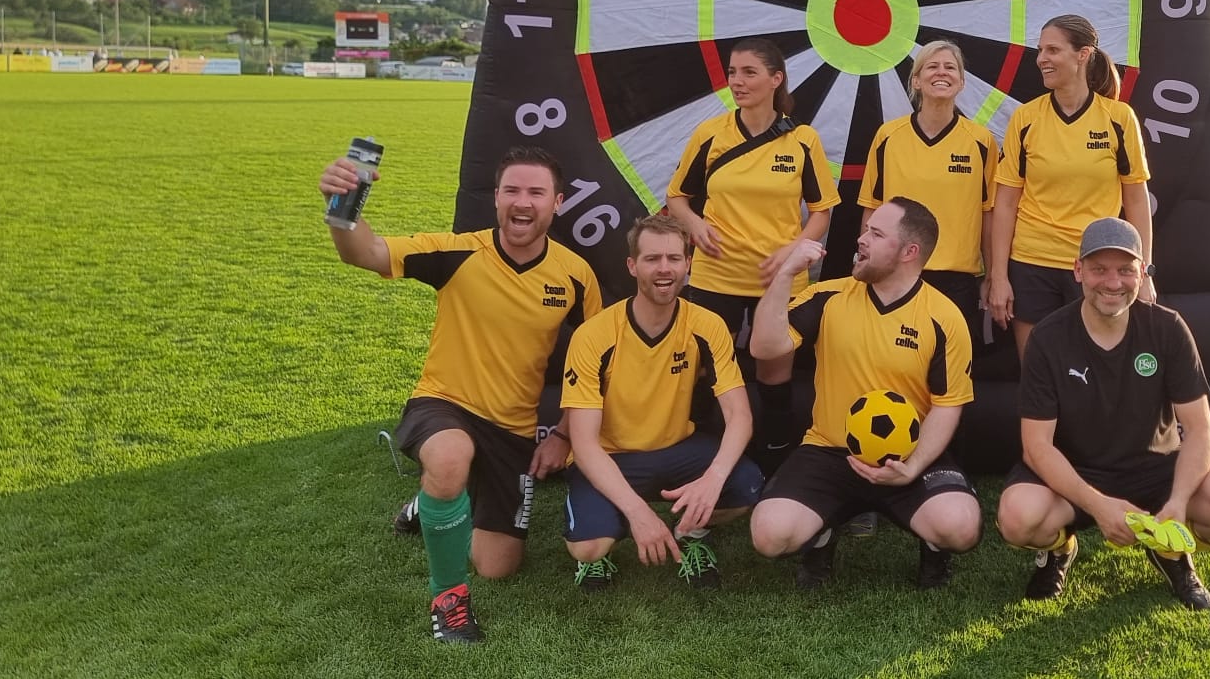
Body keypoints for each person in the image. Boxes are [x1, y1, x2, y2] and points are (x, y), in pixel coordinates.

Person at [321, 145, 604, 644]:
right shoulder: (458, 252)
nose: (522, 201)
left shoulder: (576, 275)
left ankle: (430, 499)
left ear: (557, 202)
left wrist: (562, 434)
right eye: (511, 190)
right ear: (495, 198)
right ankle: (448, 602)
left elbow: (593, 364)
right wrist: (343, 208)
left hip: (512, 429)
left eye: (536, 192)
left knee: (498, 566)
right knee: (450, 456)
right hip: (444, 403)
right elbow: (365, 253)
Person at [996, 218, 1210, 610]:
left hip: (1156, 470)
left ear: (1142, 273)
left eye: (1125, 270)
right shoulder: (1048, 338)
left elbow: (1200, 430)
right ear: (1078, 270)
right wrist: (1099, 506)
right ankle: (1059, 549)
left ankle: (1169, 550)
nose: (1112, 282)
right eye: (1099, 269)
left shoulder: (1168, 328)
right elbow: (1037, 447)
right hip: (1077, 472)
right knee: (1019, 518)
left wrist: (1178, 502)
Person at [748, 199, 981, 590]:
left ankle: (933, 548)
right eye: (866, 230)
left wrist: (912, 466)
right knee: (770, 536)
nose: (861, 239)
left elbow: (947, 405)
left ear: (909, 252)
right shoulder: (827, 296)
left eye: (876, 233)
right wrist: (785, 273)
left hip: (907, 456)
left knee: (960, 528)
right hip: (829, 451)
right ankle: (822, 536)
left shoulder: (944, 317)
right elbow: (764, 348)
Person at [558, 214, 764, 592]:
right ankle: (608, 537)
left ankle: (691, 533)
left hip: (677, 449)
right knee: (588, 546)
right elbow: (583, 443)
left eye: (674, 258)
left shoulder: (707, 325)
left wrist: (713, 479)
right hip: (612, 455)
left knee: (746, 487)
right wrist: (639, 513)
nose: (664, 269)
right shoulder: (593, 335)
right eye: (652, 259)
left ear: (688, 264)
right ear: (632, 266)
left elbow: (740, 416)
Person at [665, 37, 838, 468]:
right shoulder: (711, 134)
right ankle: (701, 461)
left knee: (774, 374)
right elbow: (676, 197)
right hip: (715, 275)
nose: (736, 81)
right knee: (705, 370)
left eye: (748, 72)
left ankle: (775, 464)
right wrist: (695, 226)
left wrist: (793, 250)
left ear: (776, 80)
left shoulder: (802, 139)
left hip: (778, 280)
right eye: (732, 72)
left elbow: (822, 212)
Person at [987, 14, 1153, 362]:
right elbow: (1005, 204)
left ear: (1083, 54)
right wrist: (998, 277)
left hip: (1095, 266)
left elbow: (1137, 202)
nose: (1041, 59)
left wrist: (1144, 272)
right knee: (1038, 374)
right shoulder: (1025, 118)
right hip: (1031, 264)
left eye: (1052, 50)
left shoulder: (1119, 118)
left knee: (1096, 374)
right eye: (1040, 50)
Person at [858, 40, 997, 357]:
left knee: (951, 371)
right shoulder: (887, 136)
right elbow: (871, 209)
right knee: (892, 366)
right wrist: (867, 262)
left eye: (950, 67)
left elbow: (988, 214)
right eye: (932, 66)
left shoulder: (981, 141)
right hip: (895, 272)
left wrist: (993, 275)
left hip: (957, 280)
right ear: (917, 81)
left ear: (961, 82)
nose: (941, 73)